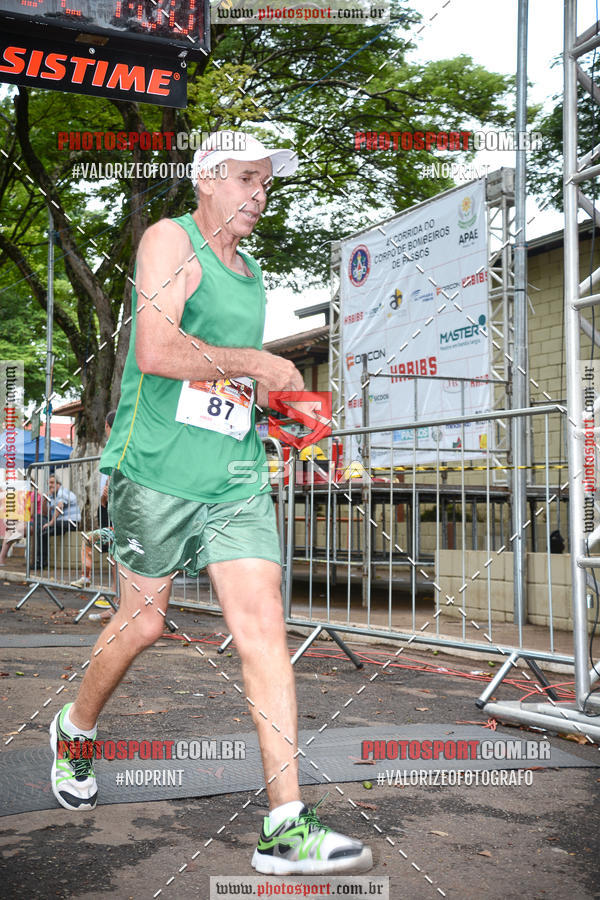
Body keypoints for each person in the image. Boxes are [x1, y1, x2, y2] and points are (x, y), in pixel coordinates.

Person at [49, 131, 372, 876]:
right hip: (158, 470)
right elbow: (155, 351)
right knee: (143, 626)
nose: (260, 195)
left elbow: (224, 382)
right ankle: (75, 727)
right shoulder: (170, 240)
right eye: (248, 180)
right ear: (207, 180)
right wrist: (256, 362)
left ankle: (286, 823)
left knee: (264, 629)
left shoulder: (253, 274)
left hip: (233, 475)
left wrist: (276, 400)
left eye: (267, 184)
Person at [71, 411, 116, 591]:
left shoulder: (116, 448)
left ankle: (116, 598)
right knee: (113, 554)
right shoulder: (119, 446)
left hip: (120, 517)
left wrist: (105, 496)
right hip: (117, 515)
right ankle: (116, 598)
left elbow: (110, 483)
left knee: (111, 552)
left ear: (107, 425)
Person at [33, 474, 80, 570]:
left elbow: (60, 507)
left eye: (52, 482)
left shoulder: (62, 492)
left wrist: (51, 522)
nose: (50, 485)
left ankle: (40, 562)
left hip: (70, 523)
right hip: (61, 523)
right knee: (42, 529)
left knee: (44, 528)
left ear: (58, 484)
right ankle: (41, 562)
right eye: (48, 483)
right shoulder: (53, 496)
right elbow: (45, 513)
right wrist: (45, 500)